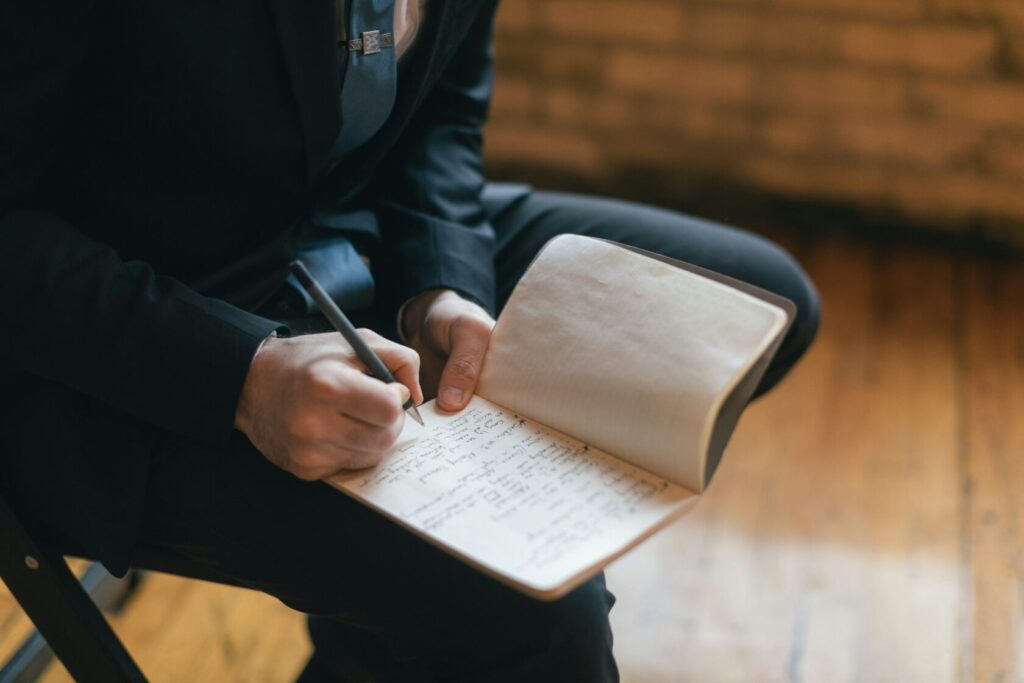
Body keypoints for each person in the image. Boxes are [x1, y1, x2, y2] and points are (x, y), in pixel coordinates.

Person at [0, 0, 819, 680]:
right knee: (541, 619)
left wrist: (443, 286)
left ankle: (381, 648)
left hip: (348, 232)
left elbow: (441, 115)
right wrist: (239, 376)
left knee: (756, 309)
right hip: (108, 348)